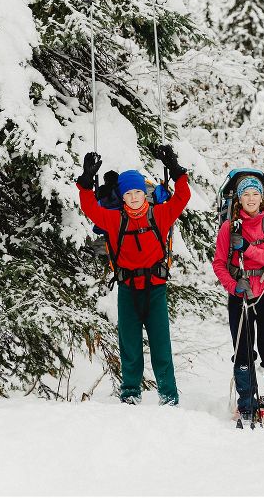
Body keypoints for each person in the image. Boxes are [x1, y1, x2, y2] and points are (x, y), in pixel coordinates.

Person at [76, 146, 190, 406]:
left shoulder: (159, 215)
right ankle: (130, 395)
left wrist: (175, 168)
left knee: (161, 346)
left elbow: (182, 198)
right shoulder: (114, 220)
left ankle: (169, 396)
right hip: (127, 289)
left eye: (139, 191)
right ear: (123, 197)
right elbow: (89, 207)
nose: (135, 196)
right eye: (129, 193)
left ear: (145, 193)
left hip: (156, 288)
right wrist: (85, 181)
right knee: (129, 345)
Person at [212, 176, 264, 426]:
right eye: (246, 195)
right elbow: (219, 264)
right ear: (239, 199)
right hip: (240, 294)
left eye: (255, 194)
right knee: (243, 350)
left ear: (262, 197)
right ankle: (246, 404)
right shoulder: (228, 228)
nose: (251, 199)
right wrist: (233, 287)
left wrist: (247, 248)